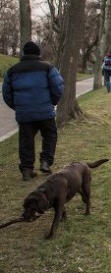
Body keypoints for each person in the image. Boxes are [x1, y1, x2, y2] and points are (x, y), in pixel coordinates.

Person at [2, 41, 64, 180]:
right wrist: (52, 102)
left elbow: (6, 93)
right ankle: (45, 162)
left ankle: (26, 169)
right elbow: (58, 87)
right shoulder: (47, 68)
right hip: (45, 111)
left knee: (26, 141)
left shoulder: (12, 71)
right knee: (50, 135)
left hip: (24, 114)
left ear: (24, 53)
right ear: (38, 53)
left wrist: (18, 106)